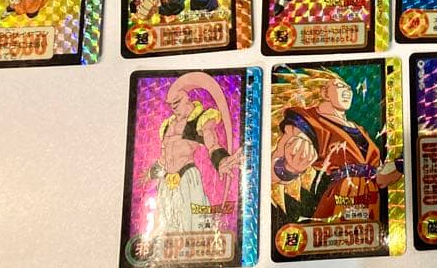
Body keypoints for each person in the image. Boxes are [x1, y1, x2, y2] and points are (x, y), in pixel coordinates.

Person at [271, 69, 401, 222]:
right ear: (325, 93)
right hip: (341, 199)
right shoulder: (308, 120)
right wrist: (288, 168)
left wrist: (396, 167)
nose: (347, 91)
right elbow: (274, 167)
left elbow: (377, 173)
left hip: (371, 200)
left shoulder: (360, 130)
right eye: (340, 86)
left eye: (349, 88)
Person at [147, 72, 242, 233]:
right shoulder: (168, 125)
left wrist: (221, 160)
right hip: (166, 181)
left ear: (187, 99)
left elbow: (212, 142)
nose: (174, 107)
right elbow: (164, 156)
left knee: (192, 225)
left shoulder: (200, 119)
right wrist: (152, 172)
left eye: (177, 102)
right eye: (171, 104)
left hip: (187, 177)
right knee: (165, 227)